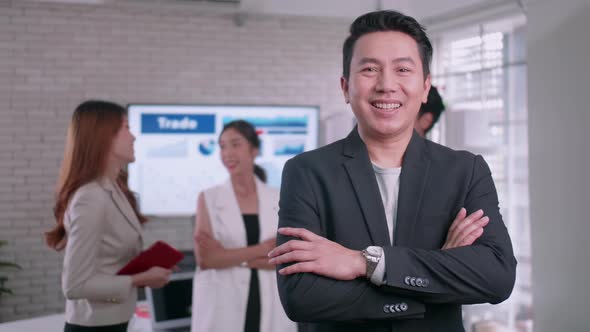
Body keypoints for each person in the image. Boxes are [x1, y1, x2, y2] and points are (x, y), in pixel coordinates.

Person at [268, 10, 517, 332]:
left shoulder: (464, 170)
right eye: (370, 69)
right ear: (346, 87)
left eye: (402, 69)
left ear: (426, 86)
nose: (386, 85)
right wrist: (438, 277)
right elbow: (302, 297)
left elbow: (496, 277)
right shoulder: (307, 172)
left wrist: (364, 262)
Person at [45, 100, 172, 332]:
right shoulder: (90, 197)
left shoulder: (114, 188)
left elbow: (108, 260)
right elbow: (75, 286)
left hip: (115, 320)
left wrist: (144, 266)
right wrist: (140, 279)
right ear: (103, 136)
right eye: (126, 128)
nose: (133, 137)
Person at [191, 120, 296, 332]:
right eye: (222, 146)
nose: (227, 153)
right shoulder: (209, 198)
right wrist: (262, 250)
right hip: (223, 303)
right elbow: (207, 259)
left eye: (235, 144)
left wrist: (231, 257)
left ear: (254, 149)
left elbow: (288, 257)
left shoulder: (279, 197)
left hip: (270, 298)